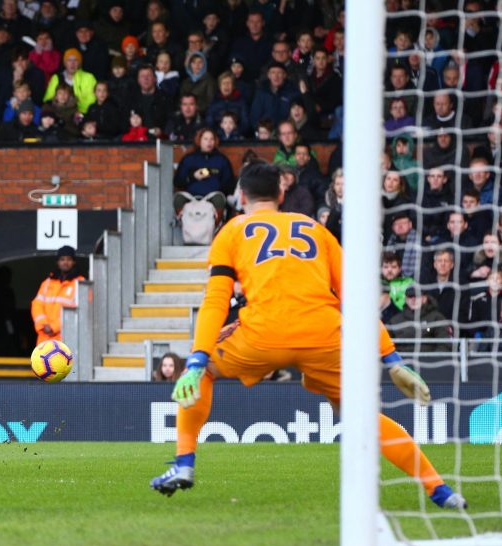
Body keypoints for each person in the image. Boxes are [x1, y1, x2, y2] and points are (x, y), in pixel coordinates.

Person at [151, 164, 467, 512]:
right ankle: (440, 490)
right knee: (359, 413)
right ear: (282, 195)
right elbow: (355, 298)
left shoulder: (232, 231)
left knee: (207, 370)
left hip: (262, 335)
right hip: (325, 335)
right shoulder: (316, 229)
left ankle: (183, 463)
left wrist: (196, 361)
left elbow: (215, 300)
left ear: (241, 197)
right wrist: (392, 359)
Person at [31, 245, 85, 345]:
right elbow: (37, 304)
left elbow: (80, 311)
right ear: (58, 262)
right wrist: (43, 324)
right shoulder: (48, 282)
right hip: (44, 339)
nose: (65, 262)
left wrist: (53, 327)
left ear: (74, 262)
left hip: (66, 339)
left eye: (69, 259)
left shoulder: (81, 283)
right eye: (62, 259)